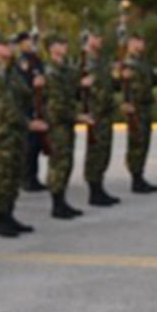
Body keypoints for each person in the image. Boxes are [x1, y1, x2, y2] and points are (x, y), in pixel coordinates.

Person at [0, 35, 44, 237]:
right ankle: (1, 220)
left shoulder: (11, 71)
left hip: (16, 131)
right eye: (4, 45)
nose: (9, 48)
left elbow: (25, 93)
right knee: (2, 177)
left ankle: (9, 215)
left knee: (13, 176)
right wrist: (28, 123)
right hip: (3, 132)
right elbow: (5, 107)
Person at [41, 34, 87, 221]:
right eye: (61, 43)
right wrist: (76, 116)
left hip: (66, 122)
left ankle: (62, 201)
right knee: (58, 162)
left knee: (66, 162)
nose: (65, 46)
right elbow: (57, 102)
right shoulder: (51, 71)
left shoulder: (65, 68)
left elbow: (73, 88)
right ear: (51, 48)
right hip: (57, 122)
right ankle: (57, 203)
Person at [80, 29, 122, 208]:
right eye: (96, 37)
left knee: (104, 151)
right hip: (94, 112)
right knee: (95, 152)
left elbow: (112, 85)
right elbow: (74, 88)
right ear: (87, 40)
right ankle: (93, 190)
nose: (100, 40)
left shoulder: (102, 61)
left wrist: (117, 75)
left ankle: (100, 187)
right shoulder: (82, 62)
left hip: (105, 111)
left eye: (100, 36)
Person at [119, 32, 157, 194]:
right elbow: (124, 86)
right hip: (135, 108)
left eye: (142, 42)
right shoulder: (127, 63)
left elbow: (150, 82)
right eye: (138, 42)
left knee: (144, 142)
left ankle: (140, 175)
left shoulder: (143, 62)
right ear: (131, 43)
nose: (141, 45)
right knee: (136, 143)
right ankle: (135, 178)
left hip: (145, 107)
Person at [15, 30, 47, 193]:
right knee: (29, 144)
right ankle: (26, 178)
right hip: (27, 104)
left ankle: (33, 177)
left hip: (38, 104)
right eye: (28, 41)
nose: (31, 44)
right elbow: (21, 82)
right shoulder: (22, 61)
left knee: (36, 145)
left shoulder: (36, 59)